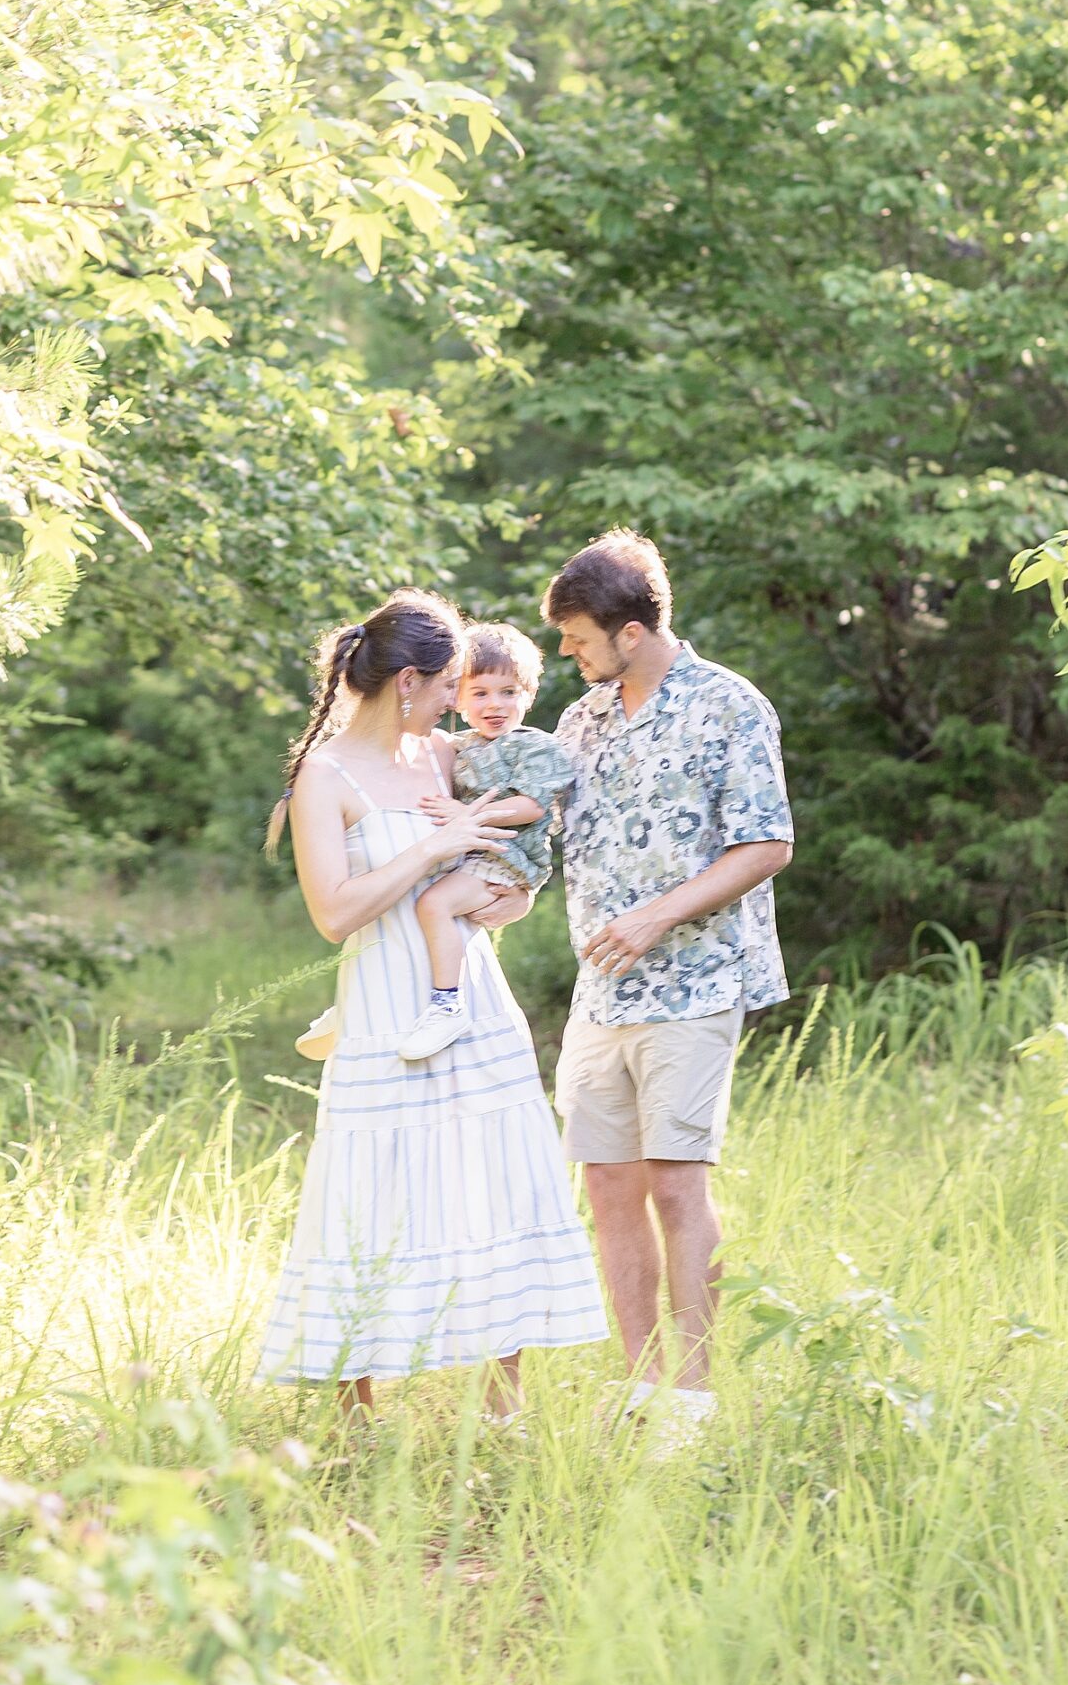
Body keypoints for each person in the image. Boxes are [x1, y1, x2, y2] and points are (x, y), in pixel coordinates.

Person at [258, 590, 608, 1412]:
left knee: (496, 1179)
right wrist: (436, 845)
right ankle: (353, 1418)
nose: (462, 697)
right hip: (383, 1003)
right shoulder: (325, 775)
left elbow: (514, 865)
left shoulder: (449, 755)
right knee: (369, 1192)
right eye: (450, 682)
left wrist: (504, 901)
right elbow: (334, 913)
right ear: (408, 681)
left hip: (471, 1000)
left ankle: (502, 1409)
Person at [545, 531, 793, 1445]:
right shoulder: (581, 721)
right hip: (599, 991)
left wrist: (655, 916)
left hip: (695, 980)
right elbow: (542, 838)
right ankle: (639, 1384)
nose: (568, 656)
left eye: (577, 638)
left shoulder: (730, 705)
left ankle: (690, 1397)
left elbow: (767, 843)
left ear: (634, 628)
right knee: (607, 1183)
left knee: (674, 1183)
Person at [397, 620, 574, 1062]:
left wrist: (468, 817)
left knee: (432, 905)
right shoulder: (460, 745)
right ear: (456, 696)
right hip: (470, 854)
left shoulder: (533, 747)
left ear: (528, 696)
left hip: (504, 859)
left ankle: (446, 1005)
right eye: (480, 693)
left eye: (508, 692)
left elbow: (531, 806)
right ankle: (376, 1002)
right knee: (405, 897)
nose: (495, 705)